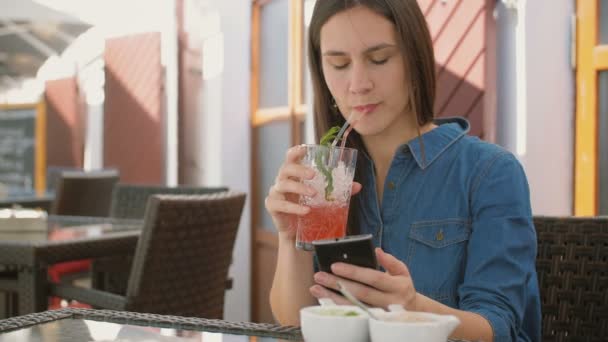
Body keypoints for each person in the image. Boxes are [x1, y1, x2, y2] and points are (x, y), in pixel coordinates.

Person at [265, 1, 541, 341]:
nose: (358, 83)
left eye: (379, 59)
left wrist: (414, 307)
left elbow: (501, 329)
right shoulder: (327, 179)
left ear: (415, 59)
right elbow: (296, 325)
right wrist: (291, 236)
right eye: (338, 63)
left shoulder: (489, 173)